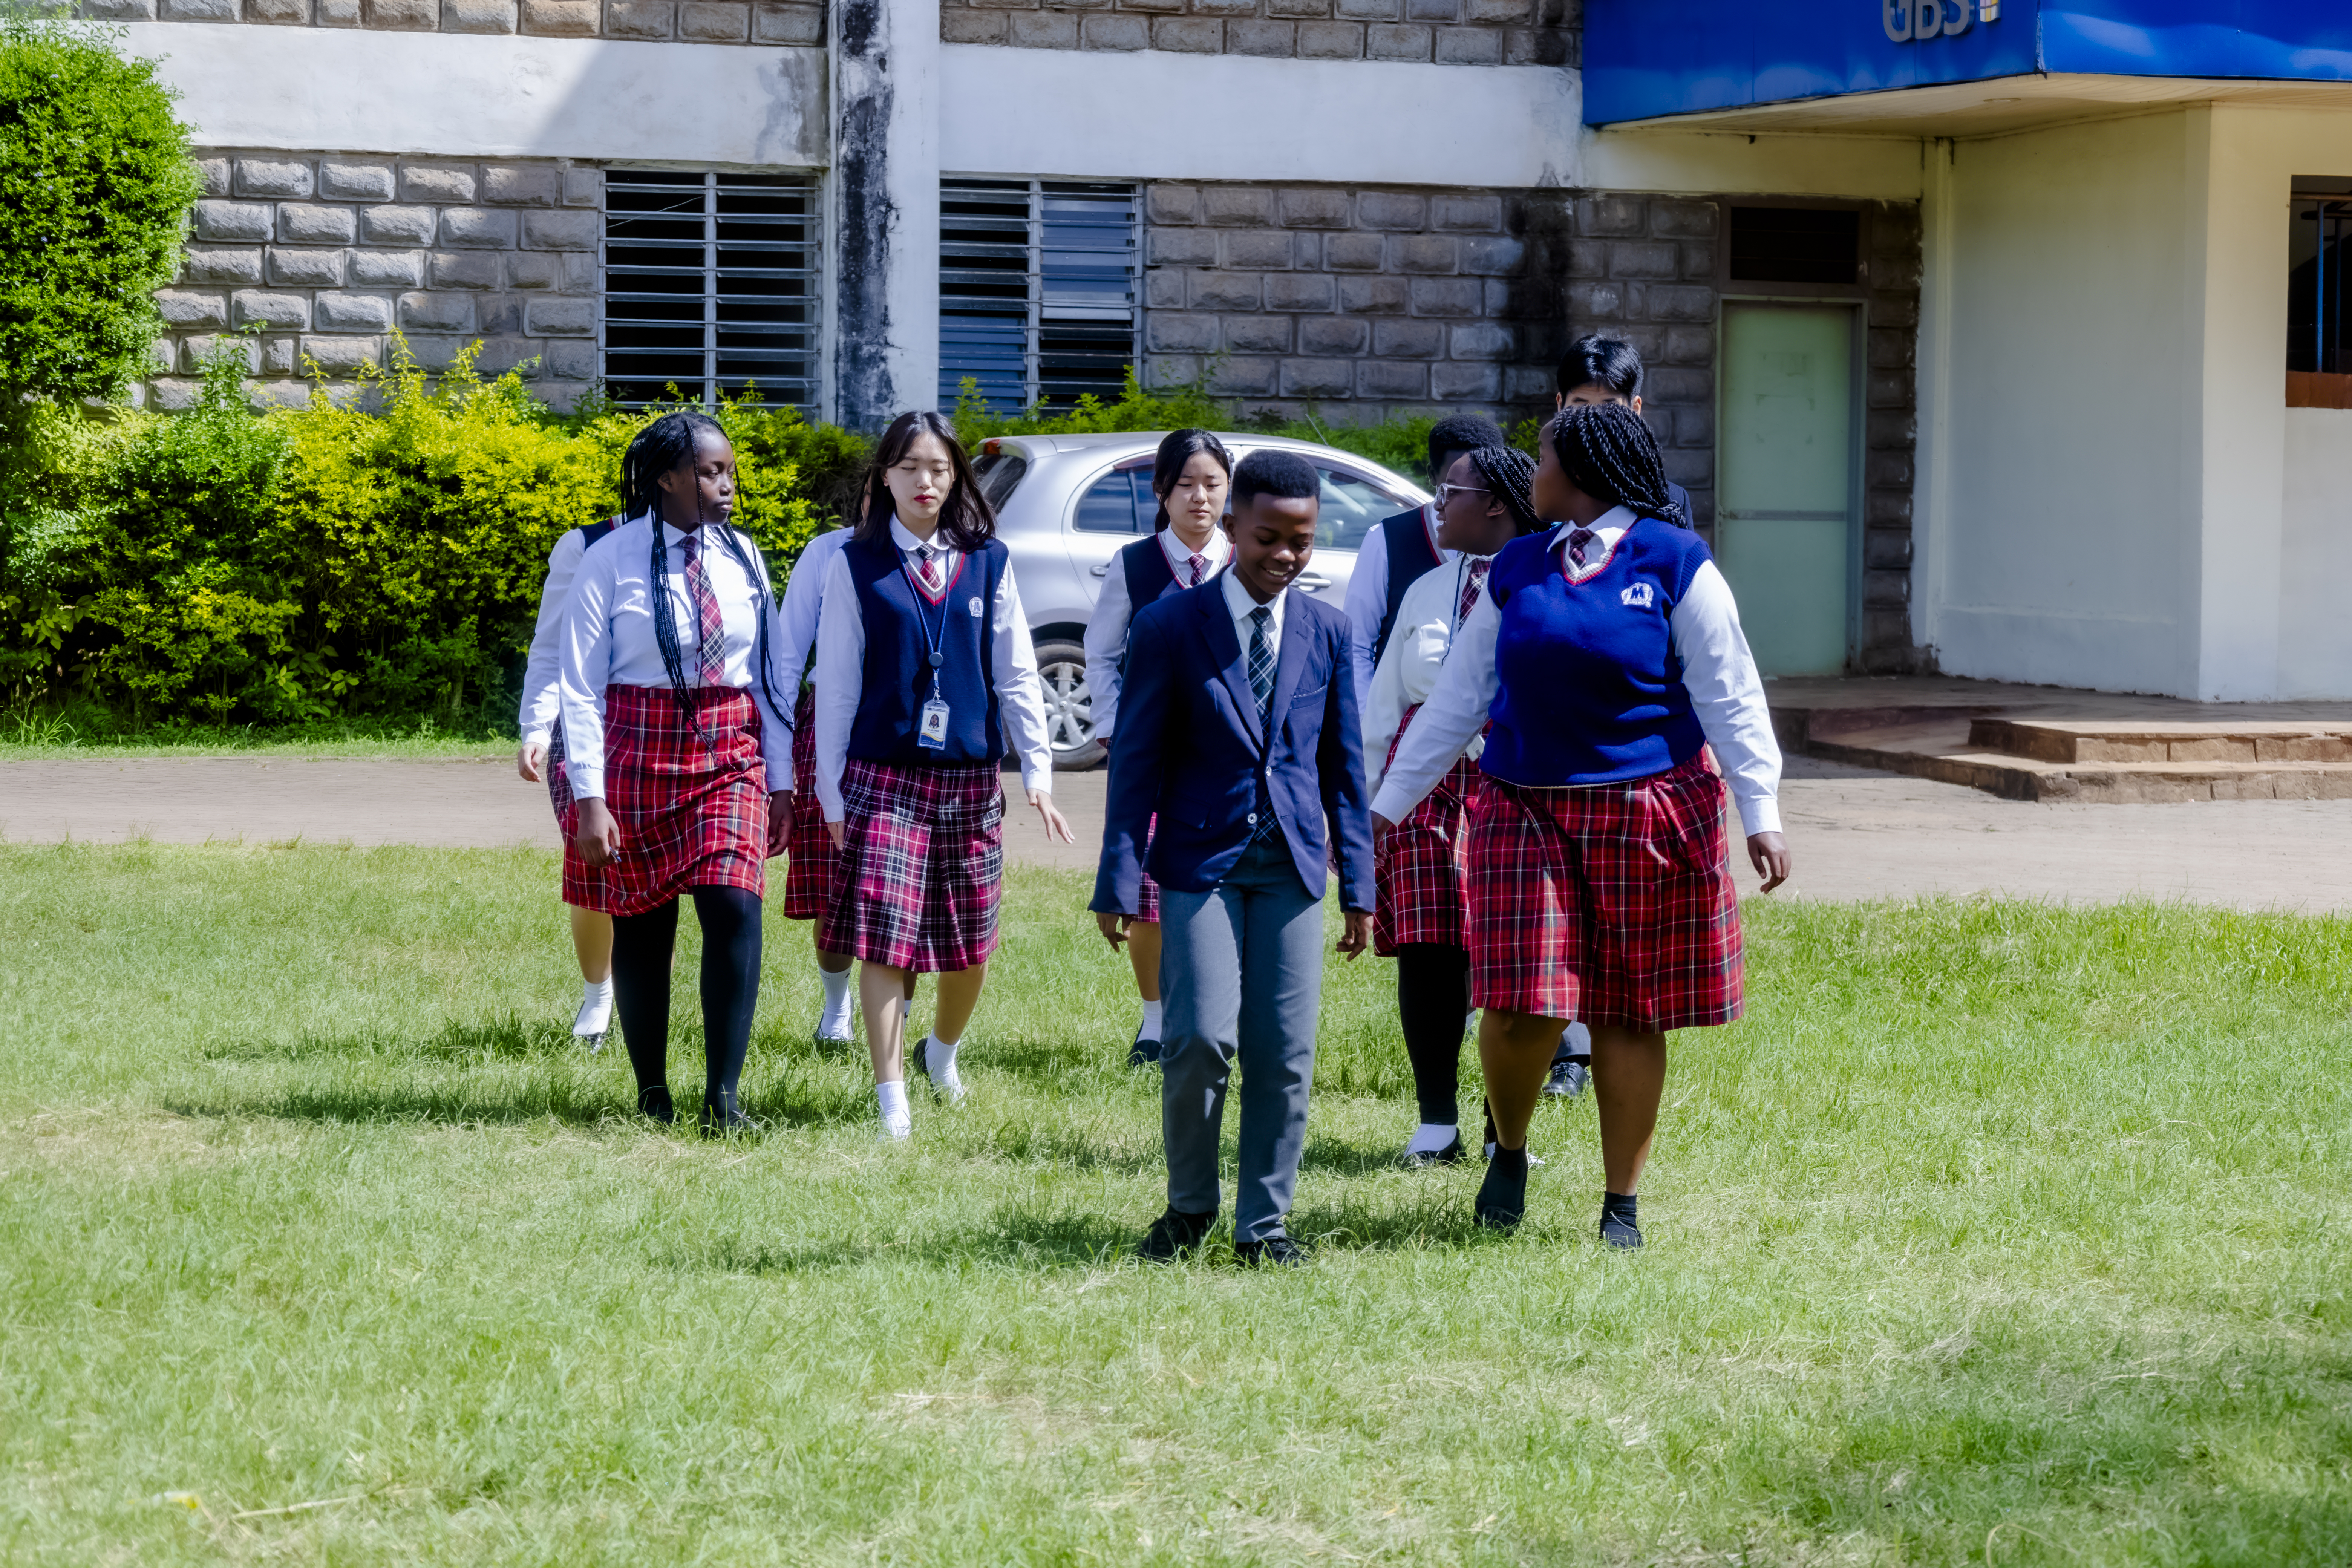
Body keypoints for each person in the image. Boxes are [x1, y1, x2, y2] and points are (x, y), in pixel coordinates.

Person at [1370, 403, 1789, 1248]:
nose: (1532, 471)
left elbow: (1731, 694)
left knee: (1629, 1011)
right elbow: (1459, 698)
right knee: (1517, 1003)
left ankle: (1620, 1204)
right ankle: (1509, 1150)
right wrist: (1385, 807)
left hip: (1646, 809)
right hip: (1522, 806)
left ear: (1585, 473)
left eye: (1543, 457)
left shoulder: (1675, 561)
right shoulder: (1519, 565)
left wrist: (1762, 811)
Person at [1093, 449, 1374, 1268]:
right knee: (1199, 1040)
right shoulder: (1170, 627)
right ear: (1232, 524)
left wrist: (1360, 885)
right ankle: (1190, 1207)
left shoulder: (1327, 630)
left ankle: (1264, 1226)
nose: (1286, 555)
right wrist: (1117, 877)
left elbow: (1344, 769)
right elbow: (1136, 762)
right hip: (1200, 862)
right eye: (1268, 538)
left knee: (1284, 1051)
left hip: (1292, 867)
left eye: (1302, 541)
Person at [812, 411, 1073, 1141]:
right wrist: (830, 791)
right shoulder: (855, 564)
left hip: (968, 779)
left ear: (957, 476)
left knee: (969, 947)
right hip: (882, 778)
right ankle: (890, 1096)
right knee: (883, 940)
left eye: (938, 468)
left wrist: (1039, 772)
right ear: (885, 477)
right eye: (909, 468)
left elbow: (1016, 671)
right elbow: (837, 685)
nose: (924, 482)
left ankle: (941, 1053)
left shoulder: (989, 560)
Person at [557, 411, 796, 1135]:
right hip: (637, 749)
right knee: (642, 924)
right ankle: (652, 1092)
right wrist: (590, 798)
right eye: (711, 472)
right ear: (667, 478)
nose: (727, 486)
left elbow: (769, 677)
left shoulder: (744, 556)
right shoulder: (610, 559)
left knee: (735, 905)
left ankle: (723, 1100)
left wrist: (782, 781)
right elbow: (579, 685)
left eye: (731, 472)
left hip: (729, 750)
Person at [1361, 444, 1547, 1166]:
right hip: (1425, 789)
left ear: (1495, 503)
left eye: (1449, 493)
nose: (1435, 506)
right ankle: (1437, 1122)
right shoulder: (1427, 590)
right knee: (1427, 949)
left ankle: (1506, 1131)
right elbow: (1386, 701)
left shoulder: (1544, 583)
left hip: (1514, 781)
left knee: (1511, 954)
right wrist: (1368, 803)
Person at [1079, 428, 1234, 1067]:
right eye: (1186, 484)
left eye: (1213, 484)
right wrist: (1116, 727)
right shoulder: (1136, 564)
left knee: (1226, 887)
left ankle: (1218, 1015)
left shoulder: (1245, 560)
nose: (1200, 498)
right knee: (1149, 896)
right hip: (1154, 756)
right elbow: (1100, 652)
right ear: (1162, 491)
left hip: (1229, 758)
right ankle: (1156, 1022)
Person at [516, 511, 620, 1048]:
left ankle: (640, 999)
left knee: (655, 881)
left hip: (664, 733)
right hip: (583, 730)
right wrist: (536, 727)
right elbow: (551, 645)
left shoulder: (706, 546)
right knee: (594, 865)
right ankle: (598, 996)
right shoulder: (584, 545)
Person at [1339, 413, 1507, 712]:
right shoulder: (1388, 540)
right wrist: (1368, 722)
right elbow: (1357, 645)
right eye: (1453, 487)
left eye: (1482, 484)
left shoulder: (1520, 545)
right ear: (1433, 476)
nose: (1467, 496)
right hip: (1406, 720)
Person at [771, 515, 863, 1046]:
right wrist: (777, 761)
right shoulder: (828, 551)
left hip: (911, 727)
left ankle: (895, 1016)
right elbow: (787, 658)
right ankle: (837, 1007)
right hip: (828, 719)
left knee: (911, 886)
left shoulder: (951, 550)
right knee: (834, 880)